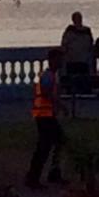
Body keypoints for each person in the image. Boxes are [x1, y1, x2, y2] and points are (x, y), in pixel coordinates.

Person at [25, 48, 67, 189]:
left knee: (55, 143)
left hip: (46, 114)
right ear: (53, 60)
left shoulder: (51, 75)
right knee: (45, 146)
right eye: (59, 59)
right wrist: (61, 105)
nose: (61, 62)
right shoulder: (48, 76)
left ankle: (50, 172)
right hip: (44, 115)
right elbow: (47, 93)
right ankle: (34, 177)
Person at [61, 12, 94, 94]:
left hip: (84, 59)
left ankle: (84, 91)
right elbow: (64, 44)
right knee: (72, 79)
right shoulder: (69, 31)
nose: (78, 20)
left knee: (83, 79)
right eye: (76, 18)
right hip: (72, 60)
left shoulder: (87, 31)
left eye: (79, 18)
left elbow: (90, 43)